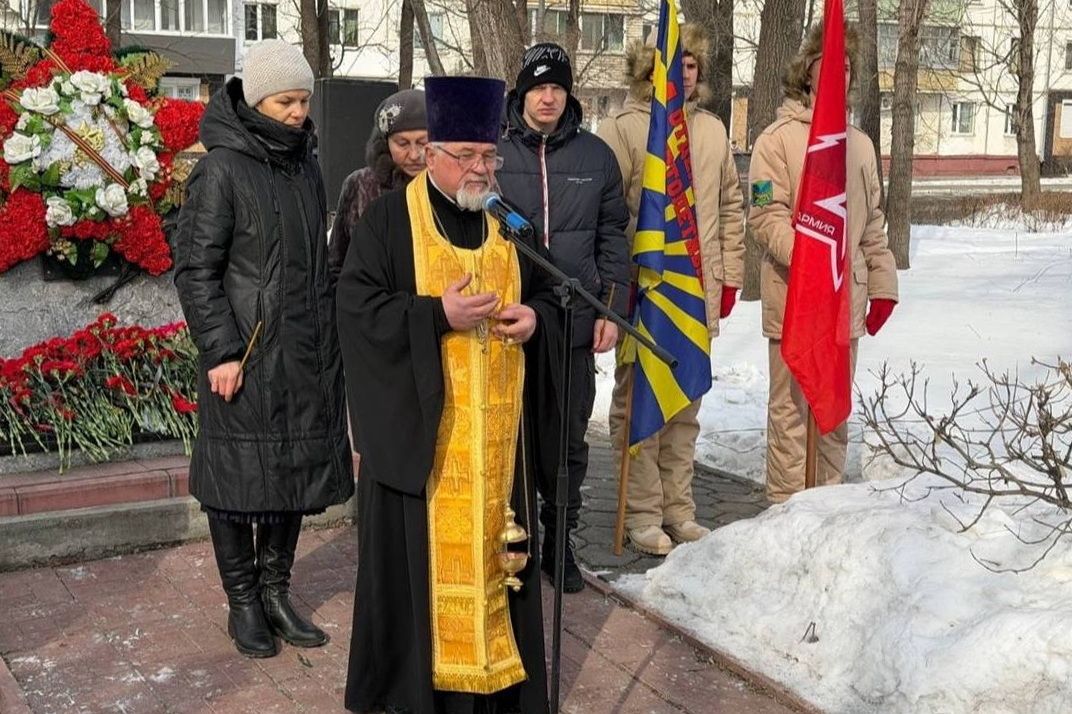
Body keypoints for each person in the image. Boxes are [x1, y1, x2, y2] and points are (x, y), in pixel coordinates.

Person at [339, 75, 559, 714]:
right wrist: (437, 315)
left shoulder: (509, 222)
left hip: (497, 451)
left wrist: (537, 318)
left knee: (503, 567)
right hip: (425, 446)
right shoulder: (388, 219)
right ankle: (420, 695)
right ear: (432, 153)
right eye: (465, 156)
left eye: (489, 157)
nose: (480, 170)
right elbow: (356, 308)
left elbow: (551, 291)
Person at [172, 38, 354, 659]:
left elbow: (316, 260)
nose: (297, 112)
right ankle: (243, 601)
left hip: (303, 353)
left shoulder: (307, 164)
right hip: (244, 359)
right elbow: (196, 269)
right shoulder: (220, 168)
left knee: (292, 477)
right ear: (256, 99)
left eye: (303, 100)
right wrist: (222, 351)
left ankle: (278, 591)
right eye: (284, 101)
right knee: (235, 481)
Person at [598, 24, 746, 556]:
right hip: (647, 293)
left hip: (693, 295)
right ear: (649, 68)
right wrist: (617, 282)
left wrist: (727, 278)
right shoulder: (625, 128)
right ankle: (640, 513)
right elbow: (606, 213)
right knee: (640, 406)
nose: (683, 72)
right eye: (673, 62)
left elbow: (731, 207)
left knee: (685, 408)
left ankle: (678, 510)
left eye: (690, 64)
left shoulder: (710, 130)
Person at [496, 42, 630, 593]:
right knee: (512, 435)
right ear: (522, 93)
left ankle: (559, 543)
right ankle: (513, 541)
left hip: (575, 324)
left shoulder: (596, 157)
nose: (548, 97)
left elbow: (612, 237)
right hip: (508, 323)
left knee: (568, 441)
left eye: (557, 87)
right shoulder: (495, 152)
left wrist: (612, 311)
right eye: (538, 87)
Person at [748, 24, 899, 504]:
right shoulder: (777, 140)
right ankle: (785, 509)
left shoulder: (860, 144)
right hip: (795, 295)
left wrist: (882, 282)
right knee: (791, 411)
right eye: (830, 63)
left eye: (847, 66)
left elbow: (872, 221)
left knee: (831, 409)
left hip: (843, 301)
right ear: (808, 72)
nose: (841, 72)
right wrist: (812, 261)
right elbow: (765, 215)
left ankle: (827, 508)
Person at [329, 88, 427, 279]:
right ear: (385, 143)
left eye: (423, 142)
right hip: (369, 302)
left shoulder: (457, 185)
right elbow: (336, 262)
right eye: (403, 144)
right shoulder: (359, 185)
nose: (415, 155)